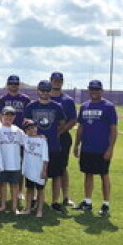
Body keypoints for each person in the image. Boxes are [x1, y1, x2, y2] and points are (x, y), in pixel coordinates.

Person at [73, 80, 118, 216]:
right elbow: (80, 127)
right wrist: (76, 145)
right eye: (92, 89)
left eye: (97, 89)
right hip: (87, 147)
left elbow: (113, 130)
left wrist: (110, 148)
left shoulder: (108, 107)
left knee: (104, 175)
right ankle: (87, 202)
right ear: (88, 90)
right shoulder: (84, 106)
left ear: (101, 91)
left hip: (102, 148)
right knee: (88, 174)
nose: (94, 92)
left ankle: (105, 204)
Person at [24, 81, 66, 212]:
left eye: (47, 90)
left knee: (56, 174)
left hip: (53, 145)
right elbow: (26, 125)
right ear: (38, 91)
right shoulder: (31, 106)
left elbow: (62, 123)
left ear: (51, 91)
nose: (45, 93)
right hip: (35, 147)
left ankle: (55, 201)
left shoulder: (57, 106)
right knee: (36, 173)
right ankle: (34, 199)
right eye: (42, 90)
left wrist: (54, 134)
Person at [49, 71, 77, 207]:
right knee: (41, 166)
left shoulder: (68, 100)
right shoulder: (44, 97)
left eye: (59, 80)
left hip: (62, 137)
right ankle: (37, 196)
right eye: (54, 80)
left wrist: (61, 131)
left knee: (62, 167)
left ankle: (65, 197)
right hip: (45, 138)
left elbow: (73, 120)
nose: (56, 82)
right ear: (50, 81)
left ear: (62, 82)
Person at [0, 106, 25, 214]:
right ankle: (3, 205)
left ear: (14, 117)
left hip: (15, 163)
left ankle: (14, 207)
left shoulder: (17, 130)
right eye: (6, 115)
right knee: (2, 184)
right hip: (2, 162)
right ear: (1, 116)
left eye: (11, 115)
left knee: (15, 185)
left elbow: (26, 142)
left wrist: (39, 137)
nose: (8, 117)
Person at [20, 119, 49, 218]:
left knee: (40, 190)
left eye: (33, 127)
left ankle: (39, 210)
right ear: (25, 131)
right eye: (28, 129)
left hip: (39, 169)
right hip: (29, 169)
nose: (31, 130)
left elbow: (45, 157)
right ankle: (28, 208)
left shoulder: (42, 140)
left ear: (37, 128)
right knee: (29, 189)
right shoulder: (25, 138)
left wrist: (44, 170)